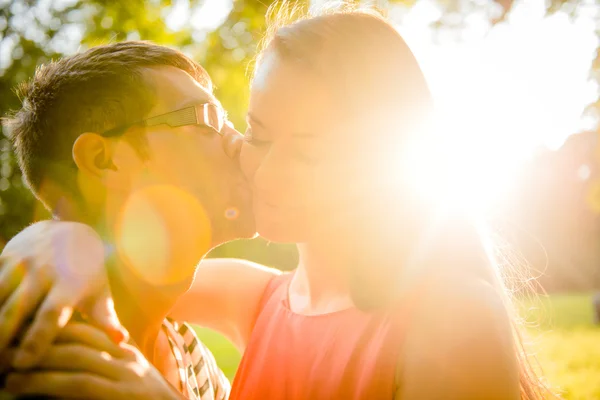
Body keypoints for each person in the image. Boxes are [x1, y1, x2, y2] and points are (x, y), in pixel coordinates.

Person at [1, 5, 554, 400]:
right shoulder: (252, 298)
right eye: (253, 131)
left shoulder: (451, 319)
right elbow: (122, 259)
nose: (247, 156)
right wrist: (58, 236)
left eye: (308, 151)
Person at [0, 41, 269, 399]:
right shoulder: (43, 355)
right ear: (104, 160)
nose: (239, 143)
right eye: (207, 121)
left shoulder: (189, 354)